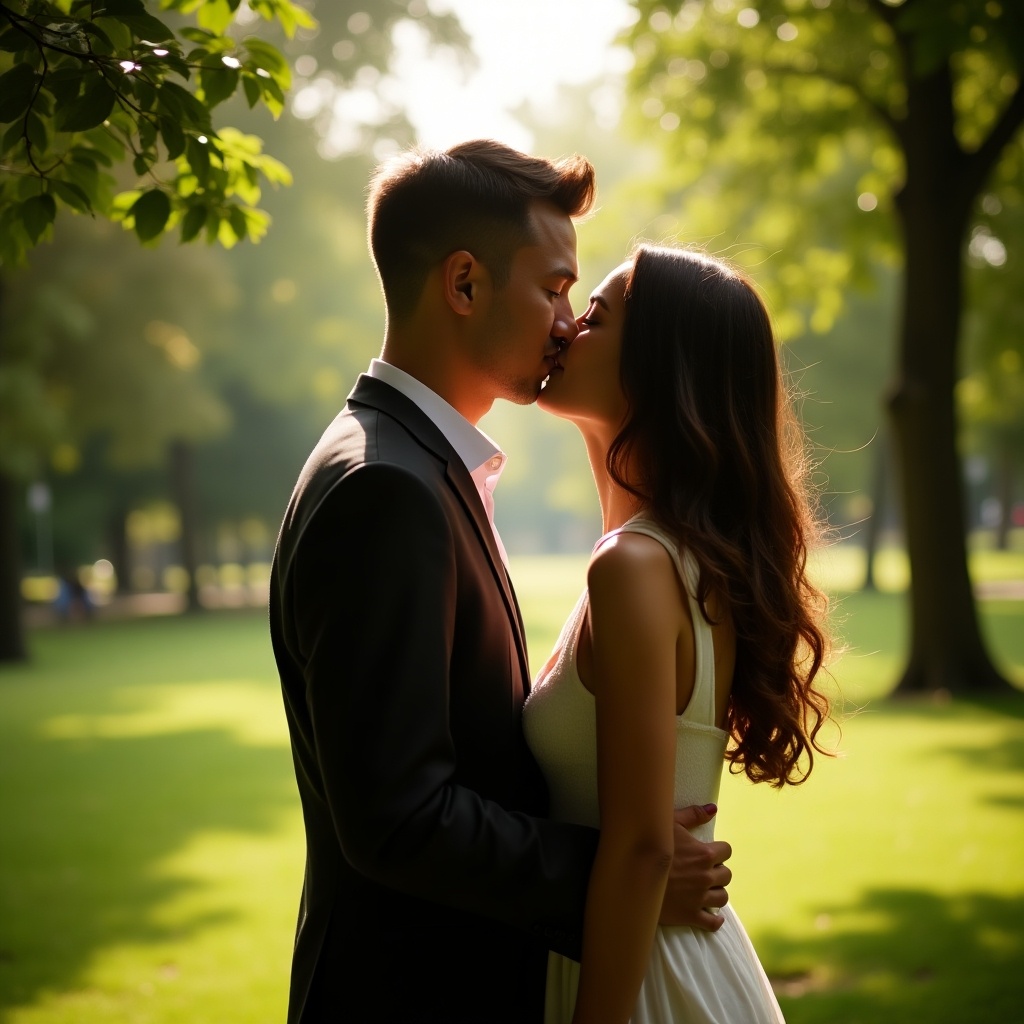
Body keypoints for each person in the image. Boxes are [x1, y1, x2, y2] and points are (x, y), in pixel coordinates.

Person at [269, 143, 735, 1024]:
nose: (567, 322)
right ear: (464, 284)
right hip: (411, 992)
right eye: (556, 288)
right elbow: (399, 816)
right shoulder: (386, 489)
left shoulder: (413, 465)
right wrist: (613, 872)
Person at [524, 244, 833, 1024]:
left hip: (639, 980)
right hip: (669, 958)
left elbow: (643, 849)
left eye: (593, 317)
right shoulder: (676, 561)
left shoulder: (634, 567)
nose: (563, 330)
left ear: (659, 366)